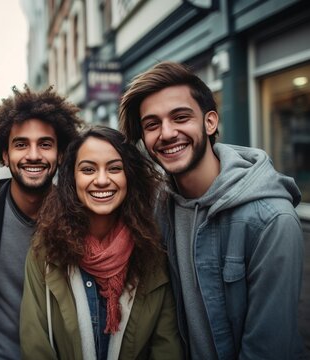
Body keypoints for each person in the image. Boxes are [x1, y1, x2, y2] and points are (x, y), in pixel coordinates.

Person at [119, 61, 306, 359]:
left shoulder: (271, 219)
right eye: (152, 124)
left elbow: (267, 350)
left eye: (180, 117)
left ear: (210, 123)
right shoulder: (158, 208)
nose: (166, 133)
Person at [20, 126, 183, 359]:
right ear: (72, 178)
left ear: (130, 176)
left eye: (115, 168)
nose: (102, 180)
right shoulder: (46, 251)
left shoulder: (151, 251)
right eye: (88, 169)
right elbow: (35, 345)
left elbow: (166, 347)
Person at [0, 85, 83, 359]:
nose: (34, 155)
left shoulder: (80, 217)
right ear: (5, 155)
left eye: (45, 144)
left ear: (61, 154)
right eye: (21, 144)